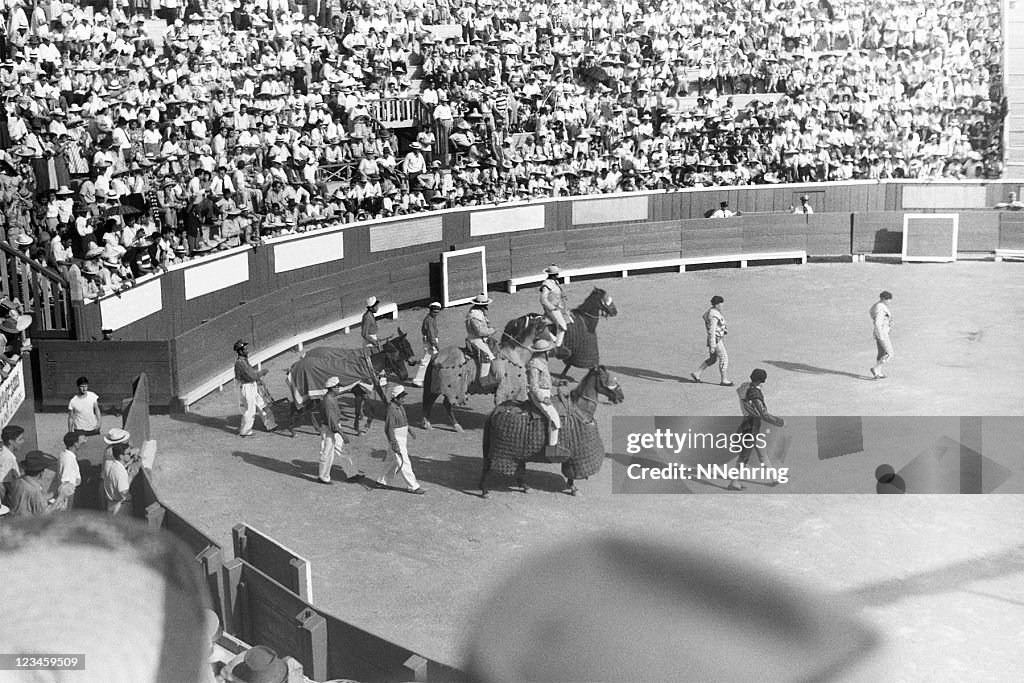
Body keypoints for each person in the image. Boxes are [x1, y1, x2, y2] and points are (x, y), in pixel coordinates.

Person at [727, 368, 786, 491]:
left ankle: (774, 477)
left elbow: (742, 391)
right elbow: (764, 414)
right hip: (752, 426)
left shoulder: (745, 387)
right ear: (762, 380)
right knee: (744, 455)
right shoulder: (754, 394)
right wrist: (781, 422)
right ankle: (734, 481)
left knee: (762, 451)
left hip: (749, 423)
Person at [373, 385, 425, 494]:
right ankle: (413, 486)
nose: (404, 399)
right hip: (396, 439)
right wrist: (394, 443)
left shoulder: (400, 406)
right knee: (404, 462)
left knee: (391, 461)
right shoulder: (391, 409)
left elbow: (404, 421)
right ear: (396, 398)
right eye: (402, 397)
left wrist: (409, 430)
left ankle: (382, 482)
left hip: (402, 437)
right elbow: (388, 429)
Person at [527, 339, 566, 460]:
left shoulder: (541, 362)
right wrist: (543, 399)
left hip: (546, 393)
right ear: (543, 352)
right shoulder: (535, 364)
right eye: (548, 351)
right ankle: (552, 450)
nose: (549, 352)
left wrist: (558, 382)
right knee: (555, 418)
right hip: (539, 395)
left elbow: (546, 379)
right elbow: (534, 385)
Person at [317, 376, 358, 485]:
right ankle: (323, 476)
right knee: (327, 452)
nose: (339, 388)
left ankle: (352, 473)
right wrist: (343, 434)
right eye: (337, 387)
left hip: (334, 426)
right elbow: (332, 423)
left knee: (342, 449)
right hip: (329, 428)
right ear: (332, 388)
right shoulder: (328, 402)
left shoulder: (332, 397)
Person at [691, 295, 733, 386]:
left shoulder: (713, 312)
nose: (722, 306)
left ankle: (697, 373)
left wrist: (723, 330)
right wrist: (713, 345)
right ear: (717, 304)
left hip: (716, 339)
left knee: (713, 359)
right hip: (716, 340)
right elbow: (712, 331)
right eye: (721, 304)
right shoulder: (713, 315)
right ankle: (724, 379)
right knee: (724, 358)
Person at [234, 339, 268, 437]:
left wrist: (258, 379)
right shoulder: (240, 363)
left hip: (252, 385)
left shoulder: (244, 361)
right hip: (247, 387)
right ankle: (245, 431)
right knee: (250, 410)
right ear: (240, 351)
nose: (247, 350)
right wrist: (262, 373)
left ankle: (270, 424)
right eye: (245, 349)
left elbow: (252, 376)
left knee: (261, 404)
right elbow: (252, 376)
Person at [102, 428, 140, 517]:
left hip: (111, 503)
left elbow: (120, 463)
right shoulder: (119, 470)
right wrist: (131, 476)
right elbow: (123, 493)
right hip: (121, 507)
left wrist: (130, 461)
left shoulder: (109, 461)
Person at [7, 451, 53, 517]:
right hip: (26, 524)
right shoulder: (33, 490)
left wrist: (54, 493)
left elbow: (38, 499)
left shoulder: (19, 480)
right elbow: (43, 515)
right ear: (41, 473)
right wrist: (61, 497)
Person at [465, 294, 498, 385]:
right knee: (487, 355)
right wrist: (493, 330)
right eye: (484, 306)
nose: (485, 307)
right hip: (475, 339)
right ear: (480, 306)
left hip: (481, 338)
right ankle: (484, 379)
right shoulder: (474, 316)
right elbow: (480, 332)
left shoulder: (479, 312)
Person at [52, 432, 85, 512]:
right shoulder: (68, 460)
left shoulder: (65, 455)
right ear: (75, 444)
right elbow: (66, 483)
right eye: (79, 441)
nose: (81, 443)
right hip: (68, 495)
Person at [412, 302, 442, 388]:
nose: (436, 314)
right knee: (427, 360)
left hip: (429, 341)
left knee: (429, 360)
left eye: (437, 312)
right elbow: (431, 335)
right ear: (431, 311)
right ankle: (418, 380)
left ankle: (425, 378)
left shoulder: (430, 318)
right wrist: (435, 345)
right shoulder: (429, 320)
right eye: (434, 312)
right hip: (430, 342)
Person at [539, 265, 569, 347]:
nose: (558, 275)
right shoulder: (546, 284)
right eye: (557, 274)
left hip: (557, 306)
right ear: (553, 275)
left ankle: (555, 340)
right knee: (562, 326)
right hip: (552, 308)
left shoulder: (555, 282)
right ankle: (557, 345)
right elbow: (543, 299)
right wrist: (553, 307)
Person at [870, 291, 894, 379]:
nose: (889, 301)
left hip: (879, 333)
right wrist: (881, 335)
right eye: (888, 299)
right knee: (889, 353)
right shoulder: (881, 309)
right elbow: (877, 323)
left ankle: (878, 372)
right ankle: (876, 369)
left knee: (881, 353)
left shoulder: (876, 306)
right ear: (883, 299)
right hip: (882, 334)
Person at [1, 425, 26, 506]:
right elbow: (2, 486)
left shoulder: (6, 454)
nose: (23, 441)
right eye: (20, 439)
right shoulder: (7, 458)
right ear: (11, 442)